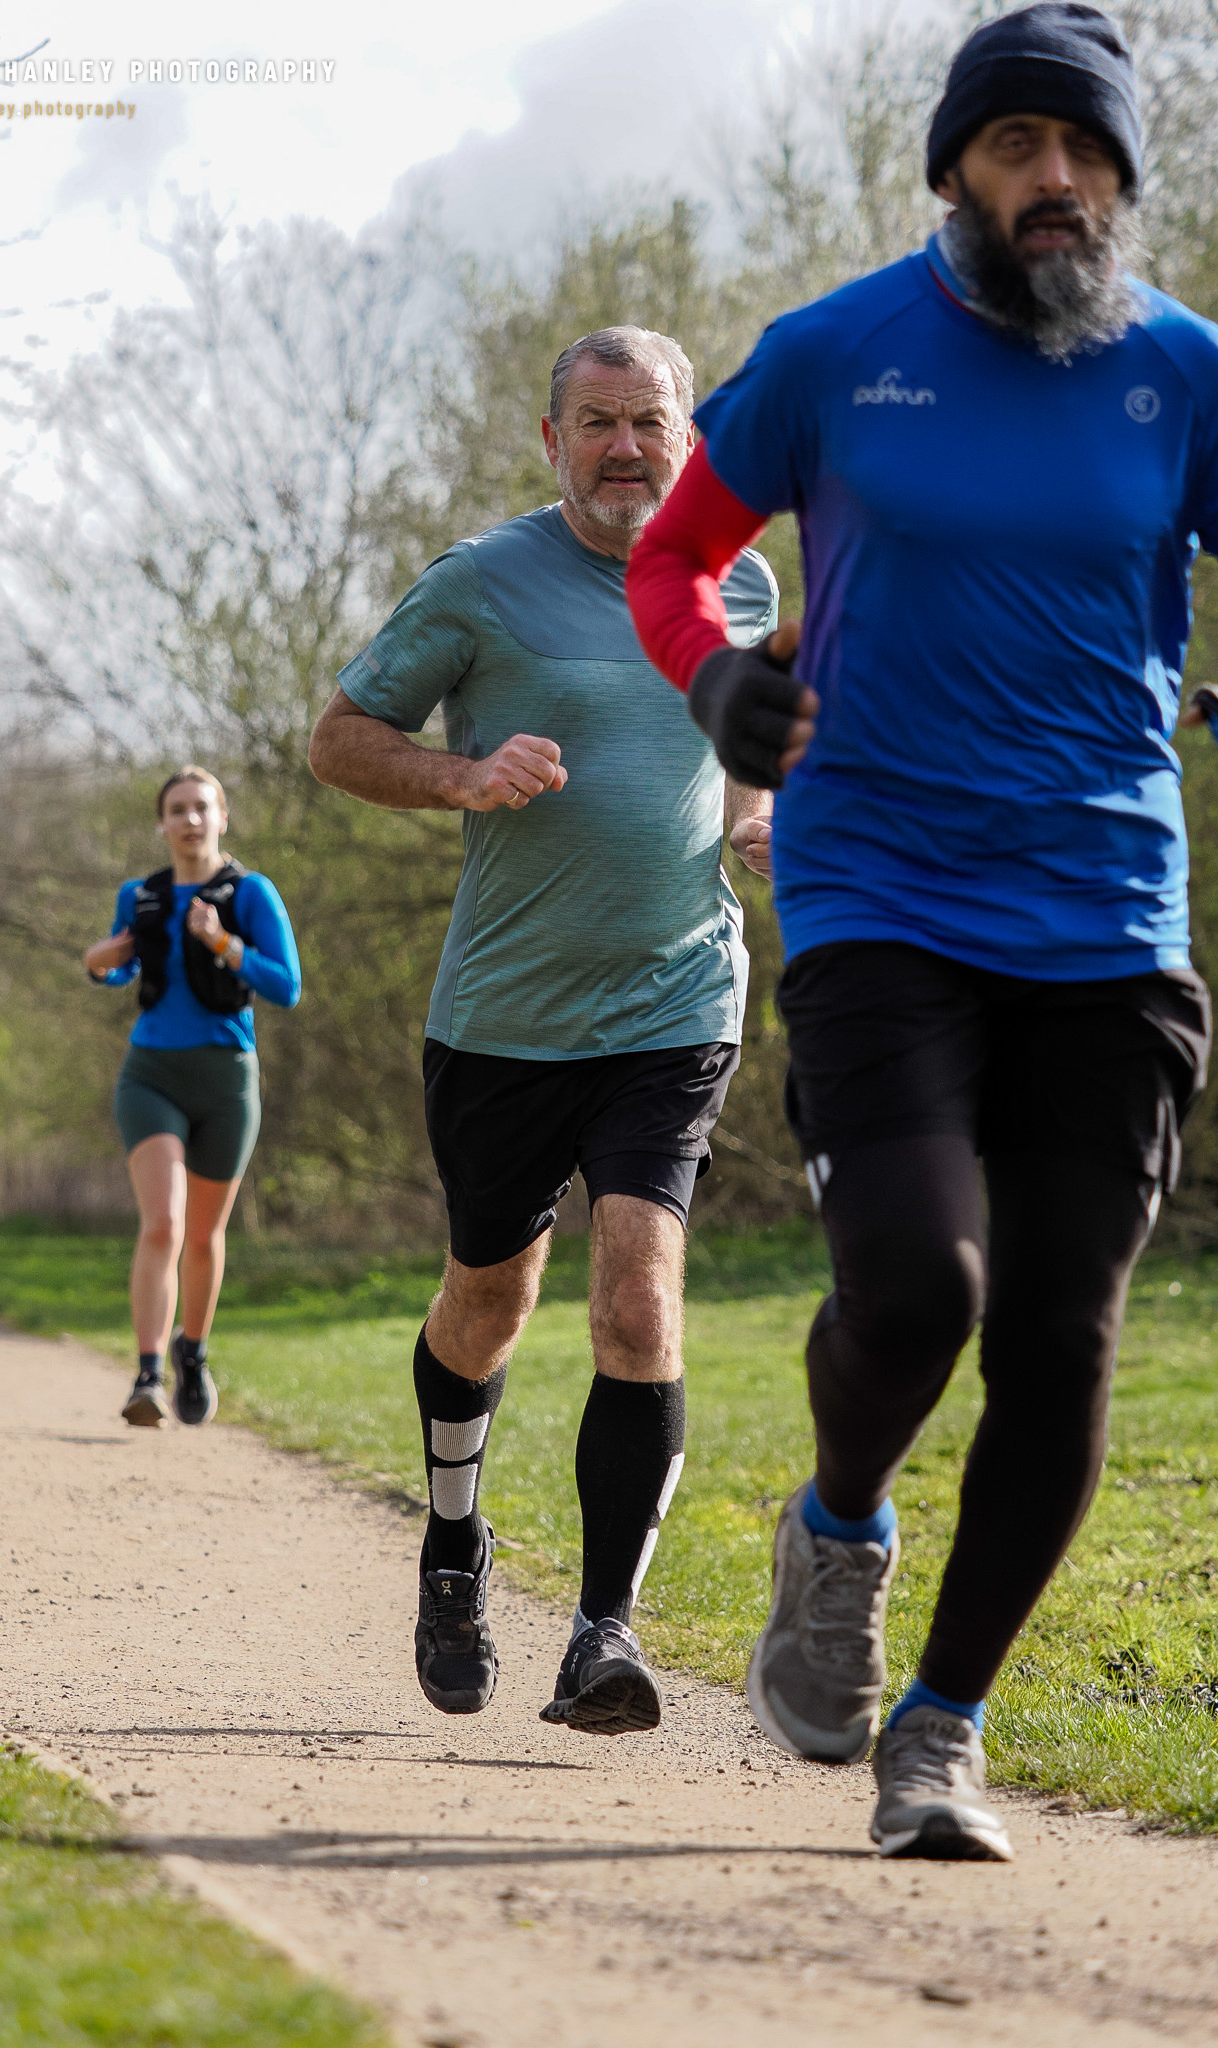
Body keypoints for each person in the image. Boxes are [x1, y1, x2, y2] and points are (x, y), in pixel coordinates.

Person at [626, 2, 1214, 1859]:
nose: (1058, 178)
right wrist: (715, 681)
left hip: (1109, 913)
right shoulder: (835, 353)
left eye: (1089, 150)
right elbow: (674, 552)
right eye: (1020, 143)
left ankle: (941, 1727)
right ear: (955, 166)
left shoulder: (1184, 370)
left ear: (1123, 180)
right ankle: (840, 1525)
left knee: (1061, 1332)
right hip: (881, 891)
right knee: (919, 1282)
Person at [310, 326, 778, 1736]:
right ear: (551, 436)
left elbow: (753, 753)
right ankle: (454, 1538)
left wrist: (761, 813)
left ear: (688, 433)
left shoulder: (743, 584)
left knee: (638, 1297)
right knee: (489, 1303)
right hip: (505, 1019)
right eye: (598, 422)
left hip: (676, 1000)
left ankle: (603, 1630)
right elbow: (339, 738)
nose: (625, 447)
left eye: (649, 420)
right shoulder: (480, 581)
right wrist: (462, 776)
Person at [84, 767, 301, 1428]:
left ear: (223, 817)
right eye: (177, 809)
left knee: (203, 1236)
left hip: (227, 1080)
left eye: (202, 808)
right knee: (163, 1224)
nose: (190, 820)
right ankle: (148, 1374)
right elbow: (121, 967)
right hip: (151, 1075)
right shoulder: (140, 895)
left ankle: (193, 1353)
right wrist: (100, 962)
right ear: (162, 823)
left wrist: (222, 942)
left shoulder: (251, 893)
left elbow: (286, 985)